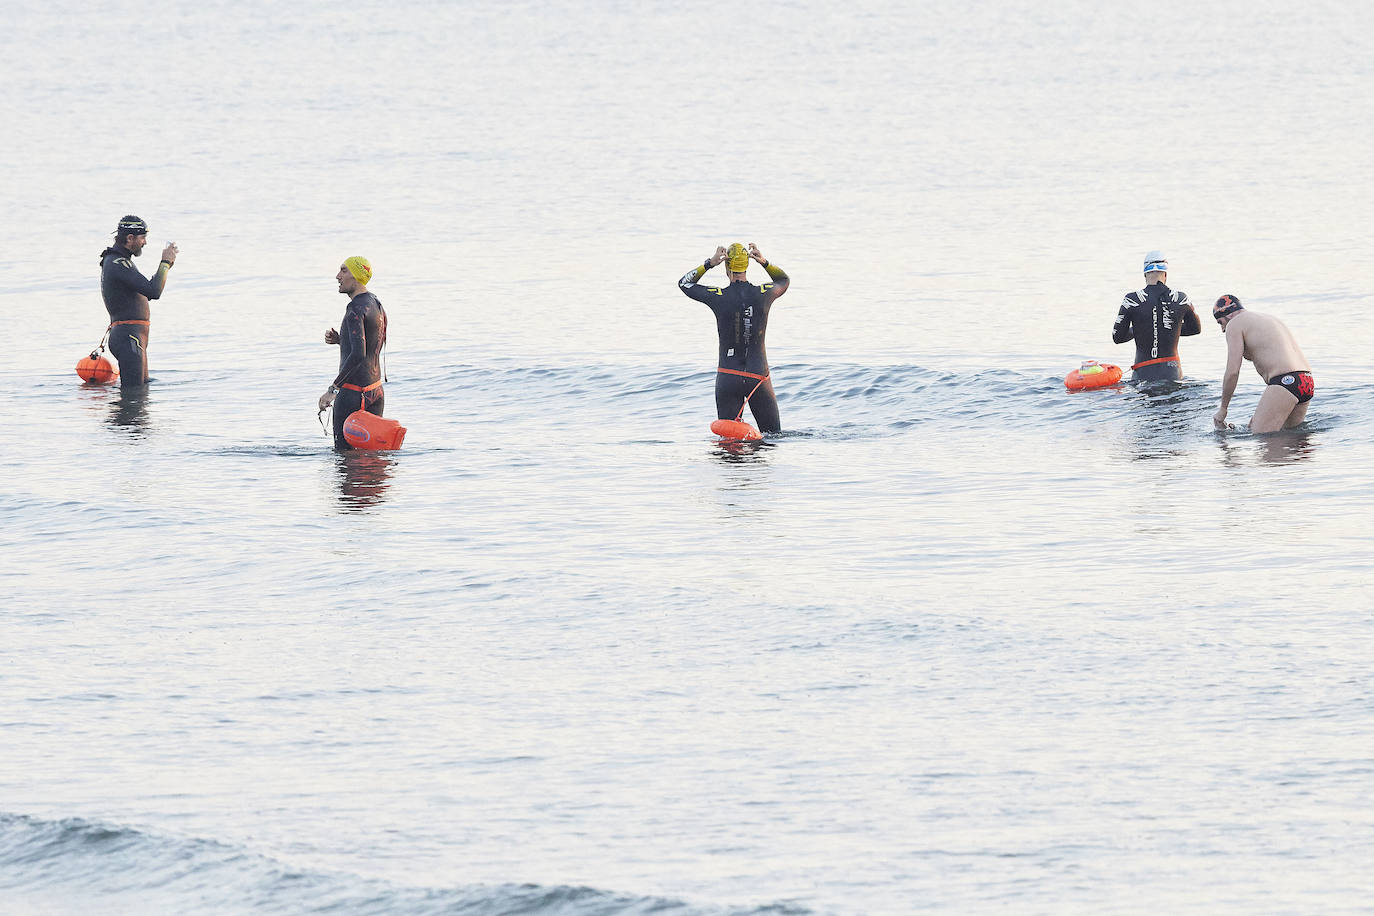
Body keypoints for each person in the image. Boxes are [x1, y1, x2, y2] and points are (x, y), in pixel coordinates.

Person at [678, 242, 790, 432]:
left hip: (728, 376)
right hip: (758, 377)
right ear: (747, 266)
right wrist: (764, 262)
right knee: (772, 438)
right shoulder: (764, 293)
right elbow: (783, 280)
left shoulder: (718, 296)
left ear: (727, 267)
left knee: (730, 445)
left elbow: (684, 283)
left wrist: (709, 263)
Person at [1212, 294, 1313, 433]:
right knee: (1292, 444)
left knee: (1263, 441)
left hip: (1283, 383)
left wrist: (1223, 409)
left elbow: (1232, 372)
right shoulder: (1269, 319)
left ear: (1228, 315)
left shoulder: (1234, 324)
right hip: (1305, 381)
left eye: (1220, 322)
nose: (1223, 329)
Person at [98, 215, 178, 388]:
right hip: (128, 336)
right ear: (130, 238)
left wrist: (166, 265)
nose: (145, 243)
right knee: (133, 394)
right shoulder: (117, 263)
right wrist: (165, 262)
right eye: (143, 238)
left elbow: (148, 289)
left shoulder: (121, 262)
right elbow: (154, 291)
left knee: (142, 391)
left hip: (133, 335)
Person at [318, 256, 389, 449]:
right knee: (372, 455)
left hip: (353, 395)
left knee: (344, 457)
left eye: (343, 270)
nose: (337, 276)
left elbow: (358, 355)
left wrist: (332, 390)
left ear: (357, 276)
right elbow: (374, 344)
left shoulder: (354, 309)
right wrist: (342, 340)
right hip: (375, 392)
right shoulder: (376, 304)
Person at [1111, 250, 1200, 381]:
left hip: (1142, 375)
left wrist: (1142, 329)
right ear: (1165, 274)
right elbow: (1195, 329)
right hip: (1173, 374)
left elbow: (1118, 337)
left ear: (1145, 274)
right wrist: (1169, 328)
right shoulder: (1181, 299)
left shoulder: (1132, 300)